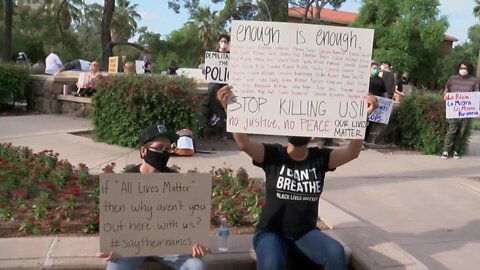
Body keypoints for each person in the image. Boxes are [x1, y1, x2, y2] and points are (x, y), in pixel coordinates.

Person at [217, 86, 377, 270]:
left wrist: (362, 117)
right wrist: (231, 109)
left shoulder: (320, 158)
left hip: (305, 234)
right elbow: (244, 144)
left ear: (313, 133)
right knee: (272, 265)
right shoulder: (273, 155)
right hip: (271, 234)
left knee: (335, 252)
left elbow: (352, 152)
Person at [96, 124, 209, 270]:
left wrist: (196, 241)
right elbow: (114, 220)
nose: (164, 152)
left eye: (168, 148)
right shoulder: (125, 181)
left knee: (196, 265)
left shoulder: (177, 181)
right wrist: (113, 244)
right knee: (115, 268)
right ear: (143, 151)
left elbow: (189, 219)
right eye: (159, 147)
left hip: (169, 245)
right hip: (133, 245)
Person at [441, 61, 479, 159]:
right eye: (461, 68)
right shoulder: (452, 79)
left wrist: (477, 110)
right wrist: (445, 95)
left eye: (465, 68)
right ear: (458, 68)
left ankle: (455, 151)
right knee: (452, 130)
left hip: (466, 111)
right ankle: (446, 150)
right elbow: (446, 90)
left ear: (469, 69)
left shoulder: (473, 81)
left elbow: (476, 95)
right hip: (454, 109)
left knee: (461, 131)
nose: (463, 70)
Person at [205, 34, 230, 126]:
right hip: (215, 82)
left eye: (225, 42)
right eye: (222, 41)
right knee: (212, 90)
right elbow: (208, 69)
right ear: (219, 42)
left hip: (226, 82)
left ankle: (221, 116)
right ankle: (220, 115)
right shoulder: (213, 55)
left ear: (228, 43)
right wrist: (204, 67)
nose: (223, 43)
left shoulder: (231, 55)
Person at [365, 62, 387, 143]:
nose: (376, 70)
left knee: (370, 123)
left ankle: (365, 140)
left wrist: (386, 101)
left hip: (376, 105)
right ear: (370, 69)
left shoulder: (381, 81)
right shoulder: (365, 79)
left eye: (377, 69)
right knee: (363, 122)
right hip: (366, 104)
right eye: (374, 68)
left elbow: (385, 93)